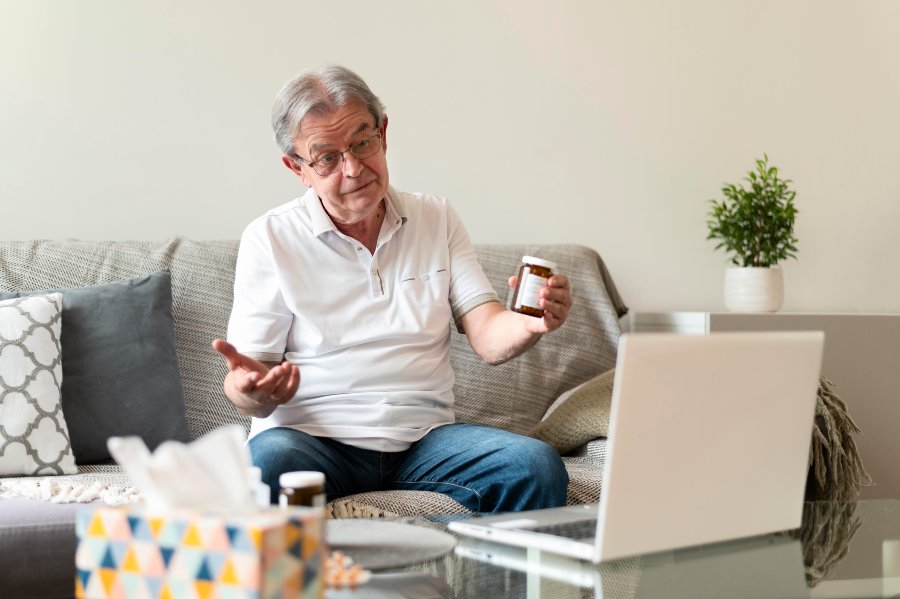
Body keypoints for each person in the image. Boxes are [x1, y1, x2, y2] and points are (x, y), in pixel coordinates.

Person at [212, 65, 573, 512]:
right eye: (326, 157)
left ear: (384, 134)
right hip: (311, 441)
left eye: (362, 142)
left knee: (534, 465)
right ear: (297, 168)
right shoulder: (270, 237)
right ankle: (290, 583)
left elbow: (488, 335)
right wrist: (252, 391)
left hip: (423, 443)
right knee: (264, 464)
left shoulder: (436, 218)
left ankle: (489, 583)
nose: (353, 168)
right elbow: (248, 380)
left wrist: (528, 323)